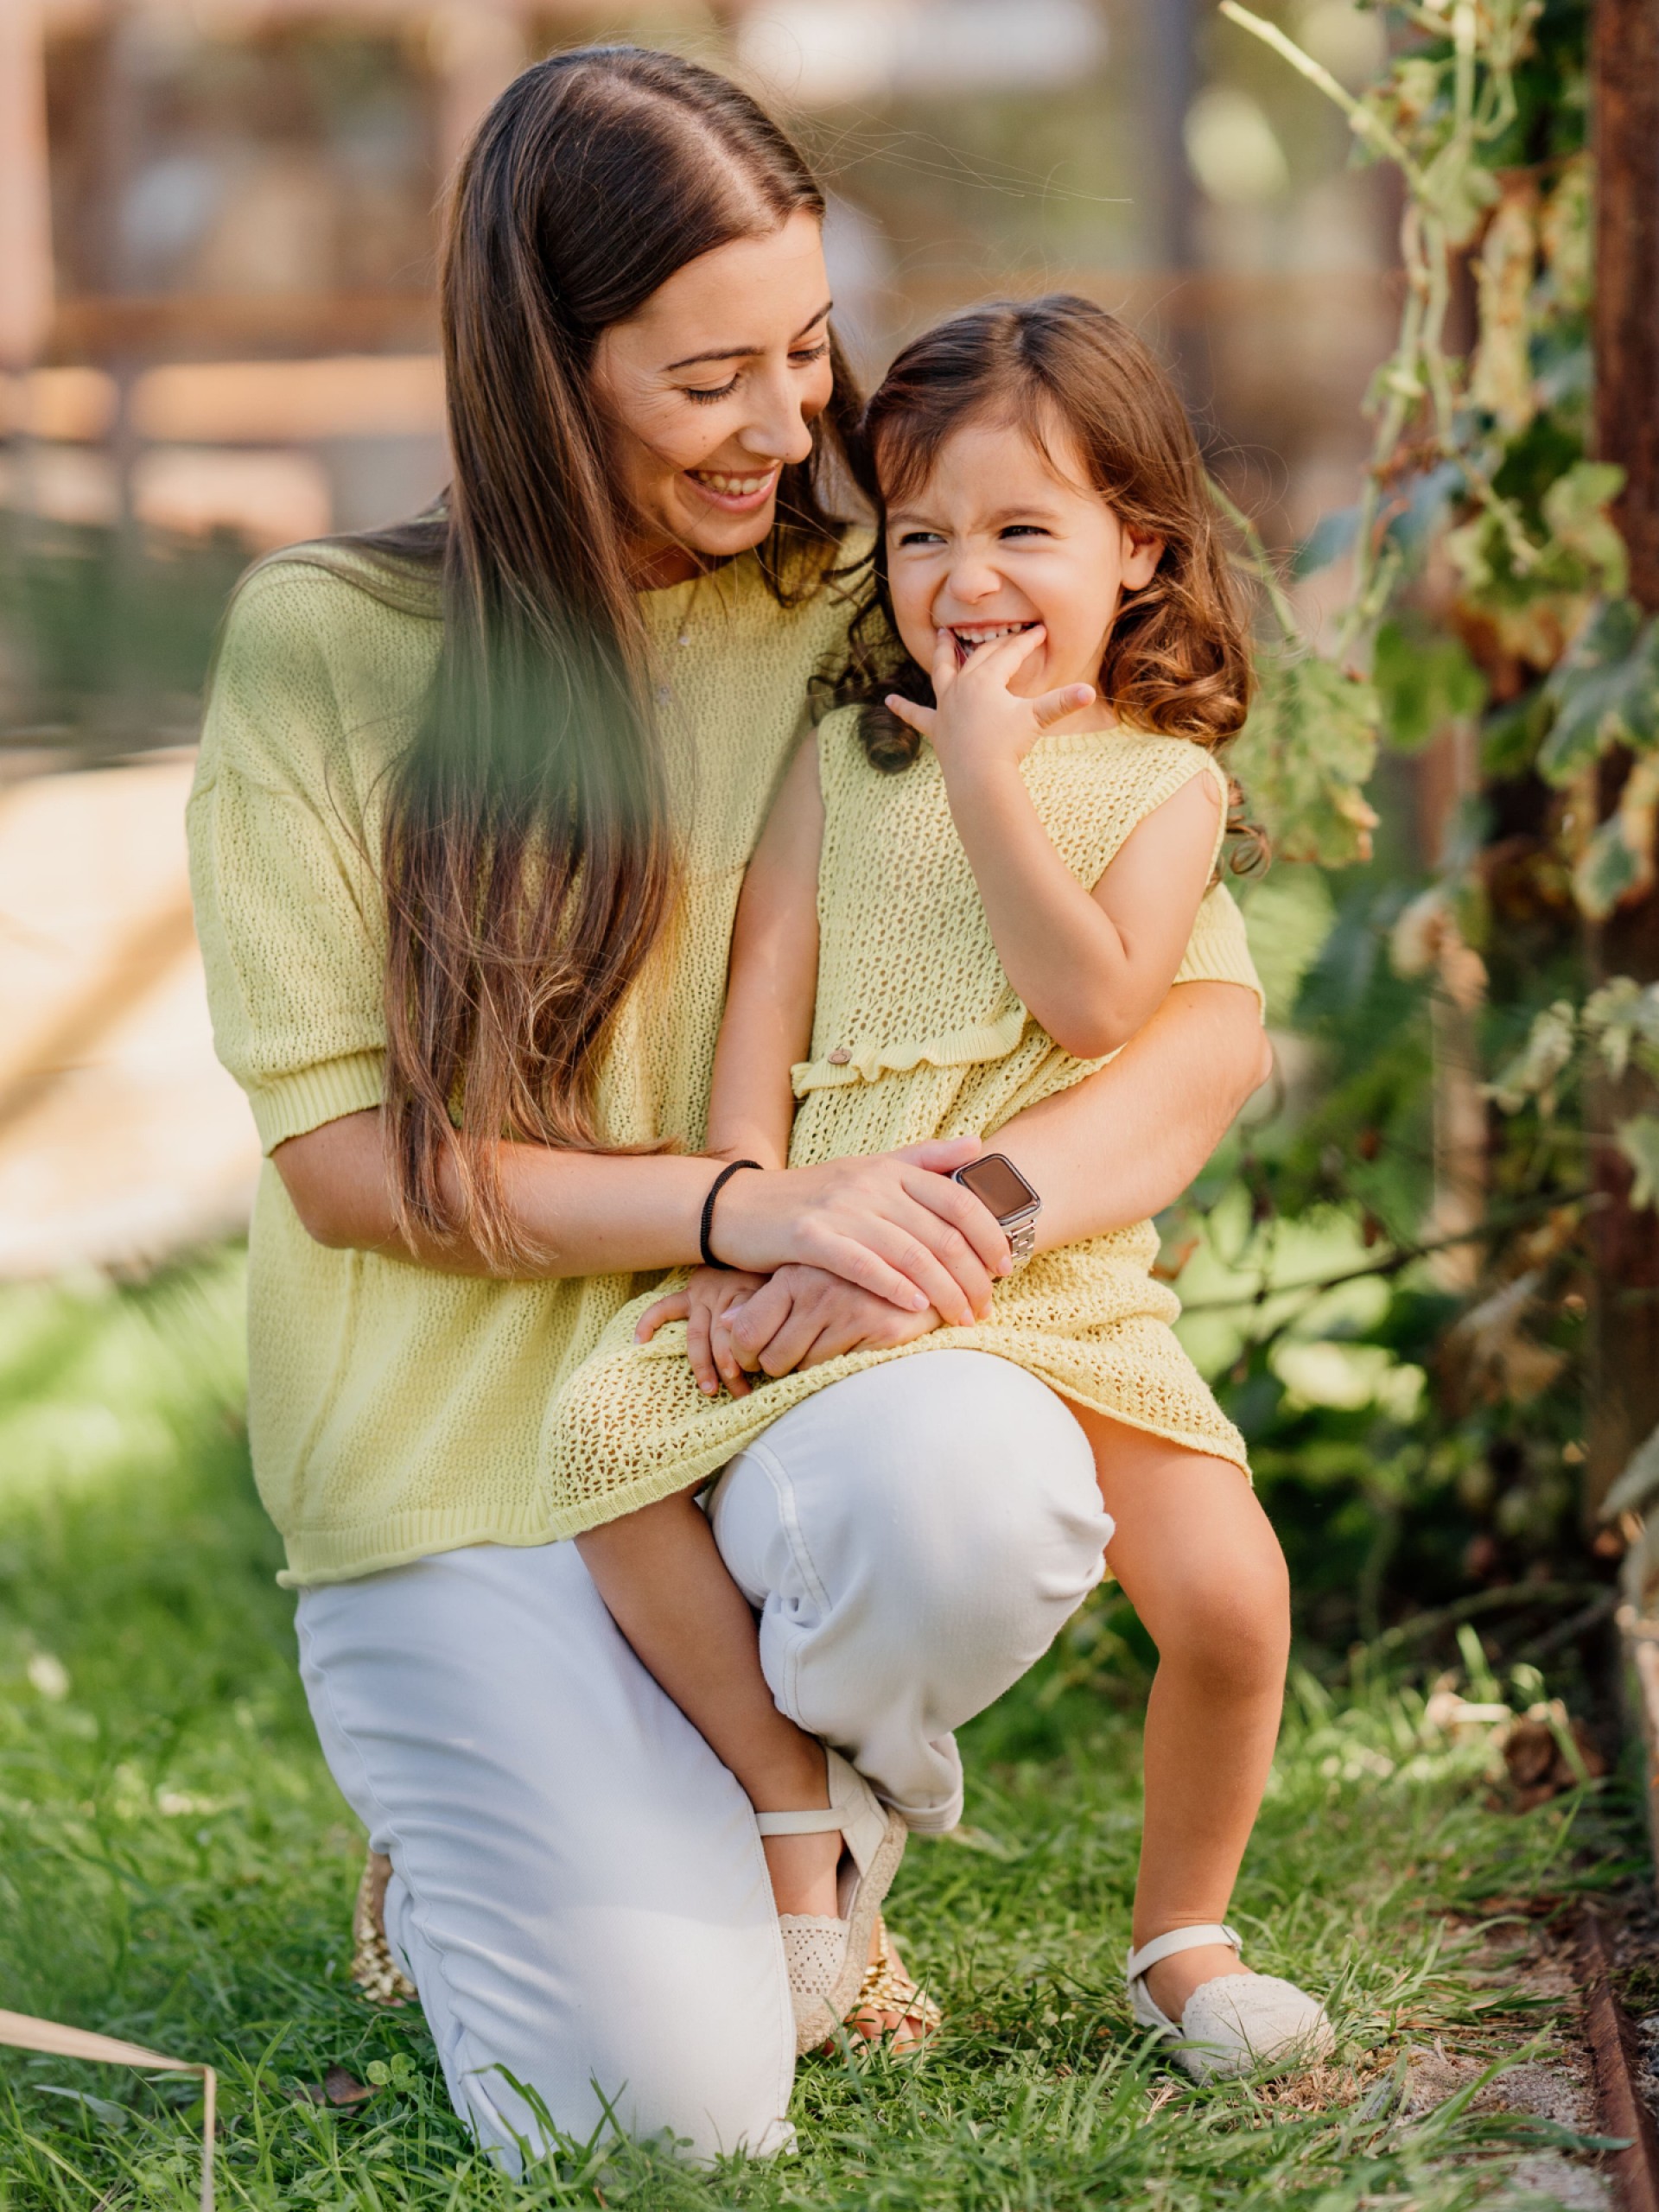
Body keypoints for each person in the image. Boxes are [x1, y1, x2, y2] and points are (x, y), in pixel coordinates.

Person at [187, 48, 1275, 2169]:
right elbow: (345, 1166)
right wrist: (749, 1209)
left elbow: (1193, 1025)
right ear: (544, 369)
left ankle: (803, 1802)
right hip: (464, 1471)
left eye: (806, 348)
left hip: (761, 1400)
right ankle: (527, 1830)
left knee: (975, 1474)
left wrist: (944, 1213)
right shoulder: (322, 651)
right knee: (664, 2123)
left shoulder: (849, 615)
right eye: (713, 379)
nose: (793, 428)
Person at [558, 296, 1332, 2082]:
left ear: (1139, 546)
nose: (962, 575)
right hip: (838, 1226)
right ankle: (787, 1804)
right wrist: (743, 1212)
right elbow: (763, 996)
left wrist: (992, 772)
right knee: (604, 1447)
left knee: (1231, 1593)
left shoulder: (1163, 787)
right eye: (920, 533)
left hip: (1043, 1278)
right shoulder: (844, 766)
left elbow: (1093, 1003)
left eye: (1020, 528)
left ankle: (1182, 1932)